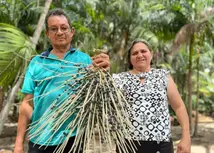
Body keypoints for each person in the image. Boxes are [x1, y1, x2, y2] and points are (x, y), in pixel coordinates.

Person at [14, 9, 109, 153]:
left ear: (72, 32)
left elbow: (100, 93)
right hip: (39, 138)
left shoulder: (86, 60)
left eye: (64, 28)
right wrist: (18, 144)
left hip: (73, 139)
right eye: (54, 29)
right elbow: (26, 103)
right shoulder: (37, 62)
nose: (59, 32)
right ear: (47, 34)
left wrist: (106, 70)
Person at [113, 39, 191, 153]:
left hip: (160, 143)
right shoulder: (118, 79)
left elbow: (179, 107)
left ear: (151, 54)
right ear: (130, 59)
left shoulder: (163, 76)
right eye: (135, 53)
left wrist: (186, 136)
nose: (139, 55)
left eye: (143, 51)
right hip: (127, 143)